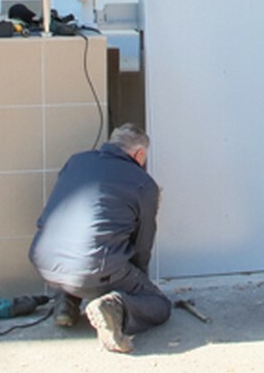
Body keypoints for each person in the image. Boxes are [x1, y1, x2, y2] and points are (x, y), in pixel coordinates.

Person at [29, 123, 170, 352]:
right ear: (140, 154)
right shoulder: (143, 183)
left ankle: (66, 302)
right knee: (160, 306)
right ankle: (115, 308)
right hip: (94, 269)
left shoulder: (76, 161)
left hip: (45, 264)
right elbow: (142, 244)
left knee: (83, 253)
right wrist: (138, 284)